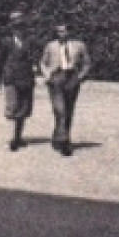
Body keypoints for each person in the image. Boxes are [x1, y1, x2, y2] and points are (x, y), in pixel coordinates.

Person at [38, 22, 92, 156]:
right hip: (56, 77)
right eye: (58, 31)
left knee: (68, 110)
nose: (60, 34)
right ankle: (65, 143)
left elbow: (87, 63)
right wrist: (48, 75)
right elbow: (43, 62)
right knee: (60, 109)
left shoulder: (79, 45)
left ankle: (59, 136)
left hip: (72, 77)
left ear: (69, 32)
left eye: (63, 31)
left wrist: (80, 77)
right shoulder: (51, 46)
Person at [0, 20, 35, 151]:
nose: (19, 31)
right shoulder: (6, 42)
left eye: (21, 28)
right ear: (13, 30)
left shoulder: (29, 42)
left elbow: (34, 57)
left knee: (24, 108)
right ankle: (14, 136)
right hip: (11, 78)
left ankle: (17, 137)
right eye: (16, 28)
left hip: (25, 78)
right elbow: (0, 61)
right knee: (13, 107)